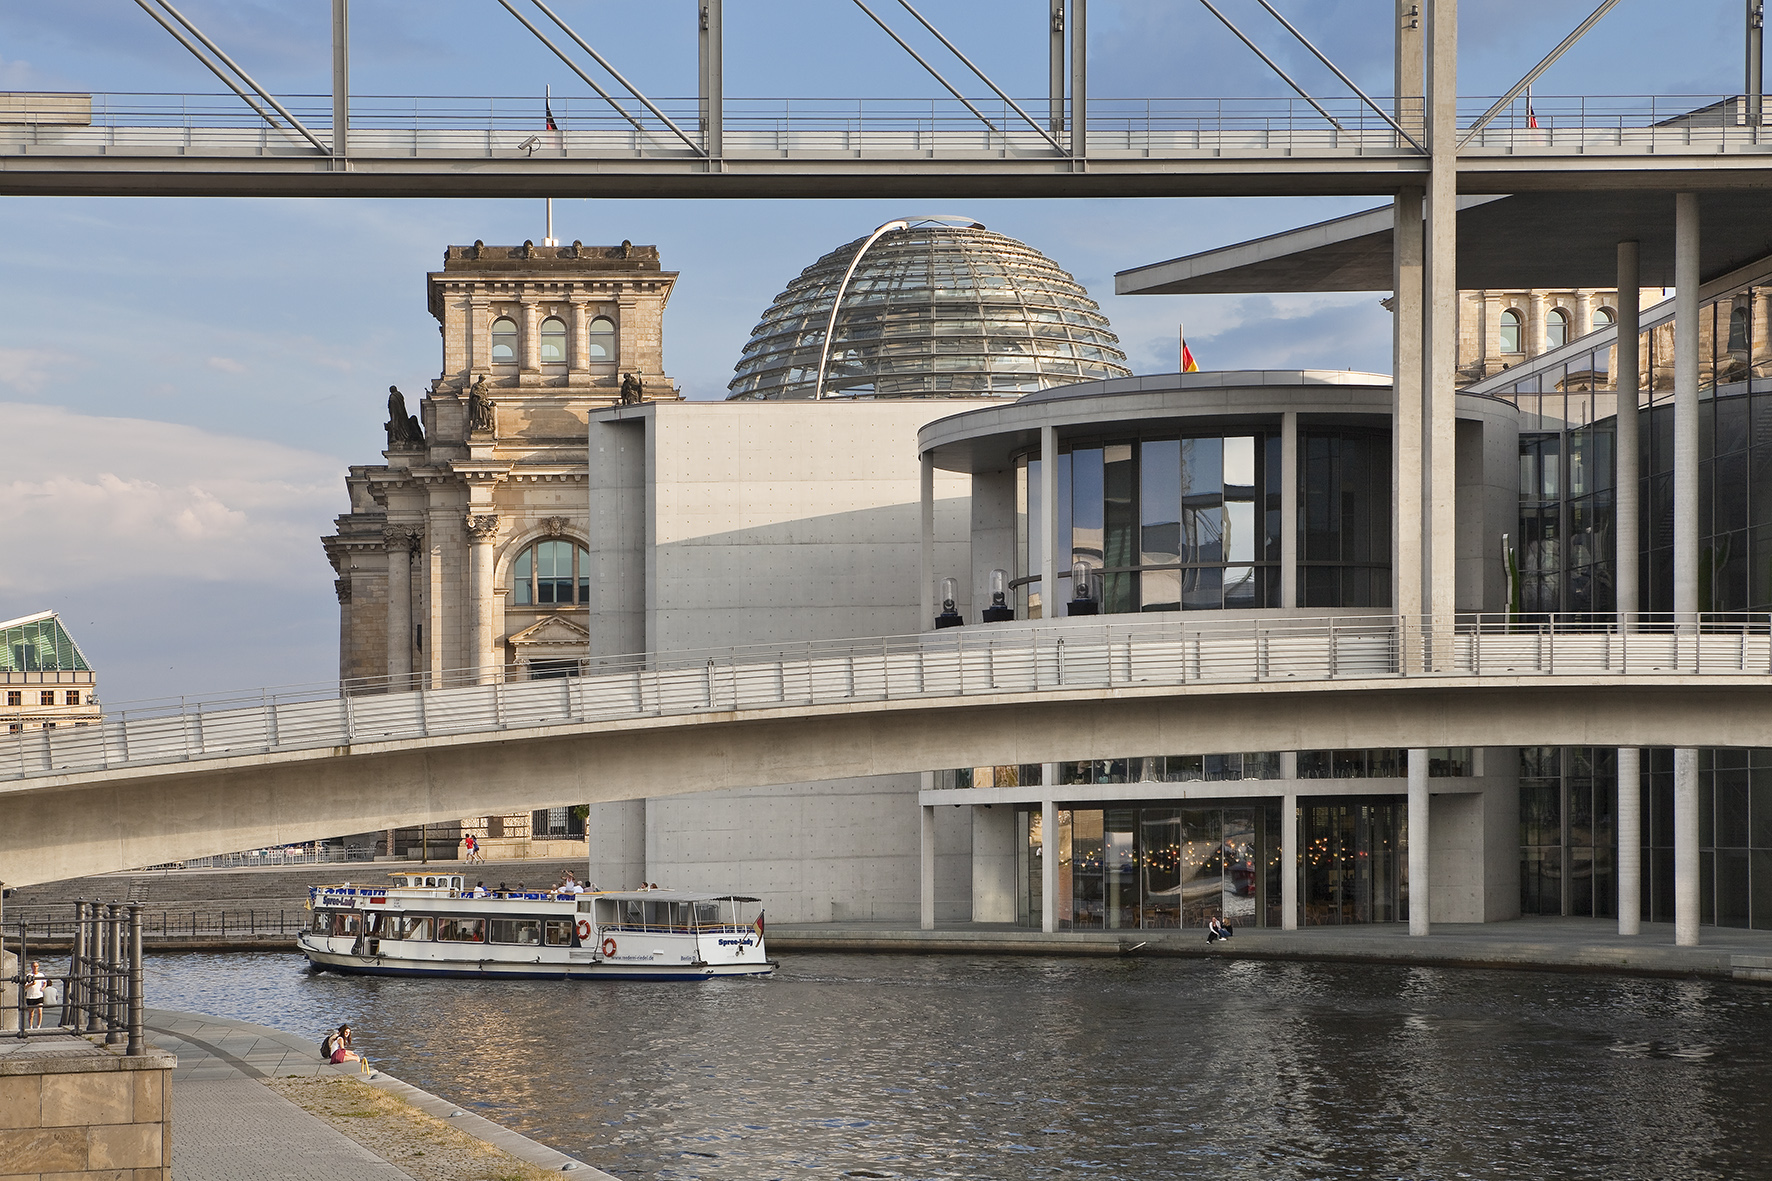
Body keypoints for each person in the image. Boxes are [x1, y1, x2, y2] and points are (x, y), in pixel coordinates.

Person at [22, 962, 48, 1029]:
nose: (35, 968)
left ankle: (38, 1026)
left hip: (39, 995)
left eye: (36, 966)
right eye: (34, 966)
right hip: (30, 996)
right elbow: (24, 987)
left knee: (40, 1011)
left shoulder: (41, 975)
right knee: (31, 1013)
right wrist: (31, 984)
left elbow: (44, 982)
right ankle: (30, 1026)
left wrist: (43, 987)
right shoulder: (29, 975)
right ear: (31, 967)